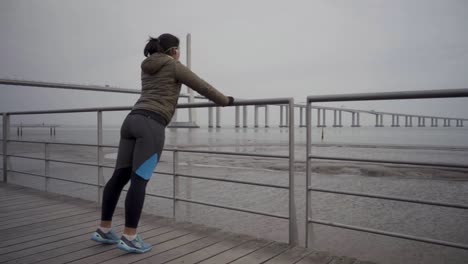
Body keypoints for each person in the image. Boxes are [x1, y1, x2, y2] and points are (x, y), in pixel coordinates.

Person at [90, 33, 234, 253]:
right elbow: (202, 87)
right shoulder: (173, 65)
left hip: (131, 120)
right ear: (174, 50)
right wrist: (226, 101)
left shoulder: (147, 65)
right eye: (178, 50)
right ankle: (130, 237)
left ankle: (104, 229)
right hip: (151, 124)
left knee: (119, 176)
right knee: (139, 180)